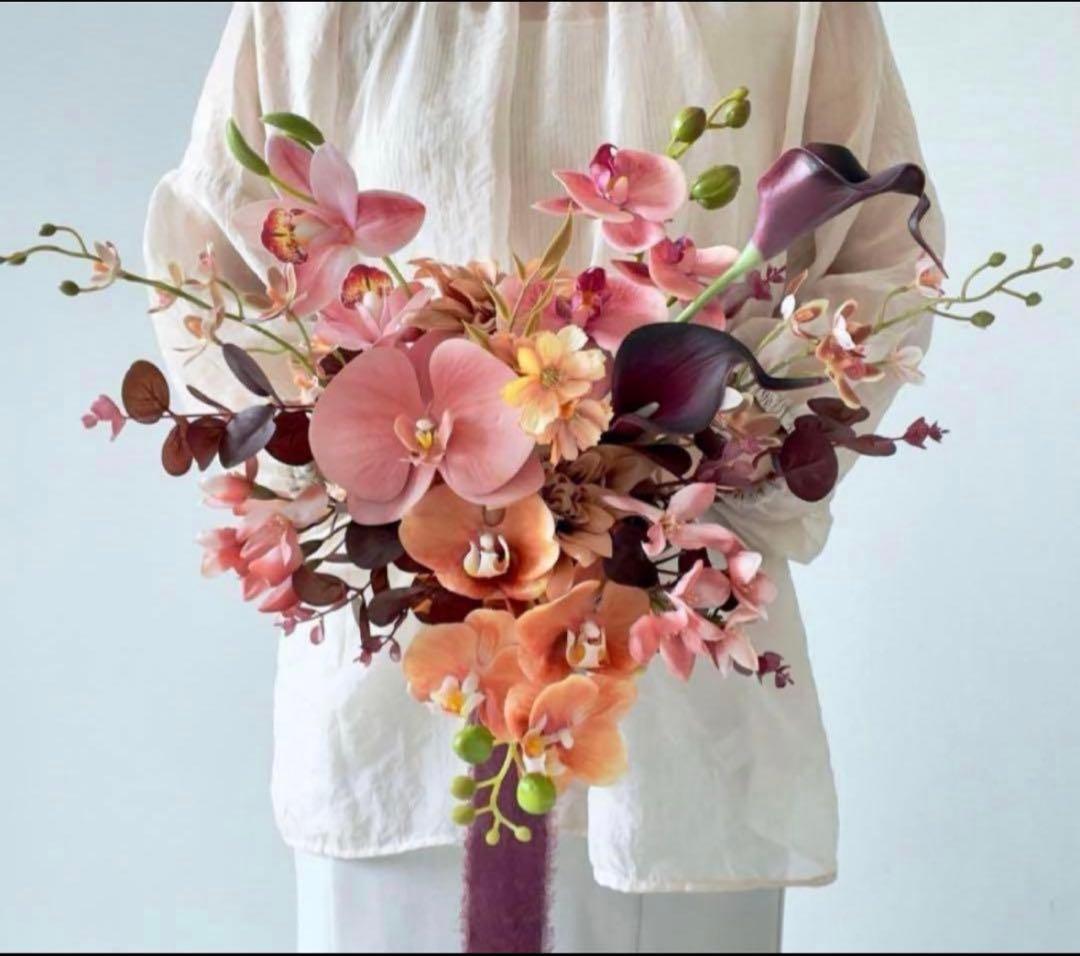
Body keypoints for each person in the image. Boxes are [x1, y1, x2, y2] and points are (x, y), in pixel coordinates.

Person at [145, 3, 942, 951]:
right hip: (403, 669)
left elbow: (887, 264)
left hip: (672, 645)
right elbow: (207, 258)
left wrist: (700, 461)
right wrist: (375, 459)